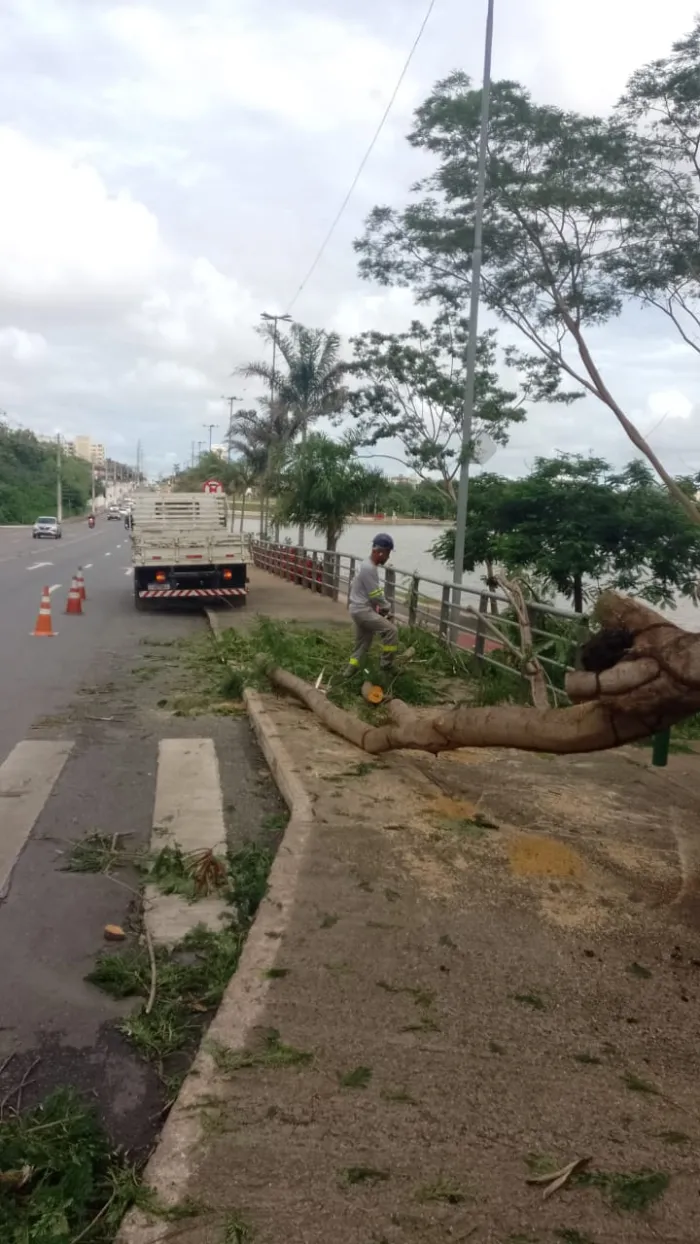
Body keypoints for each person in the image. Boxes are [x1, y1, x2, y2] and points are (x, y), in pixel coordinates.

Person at [345, 533, 399, 680]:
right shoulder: (369, 569)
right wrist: (386, 608)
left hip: (358, 609)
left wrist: (379, 608)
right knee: (391, 631)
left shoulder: (365, 565)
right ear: (380, 552)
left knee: (363, 643)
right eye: (387, 553)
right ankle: (386, 664)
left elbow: (368, 593)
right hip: (363, 610)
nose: (388, 557)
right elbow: (375, 594)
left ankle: (349, 672)